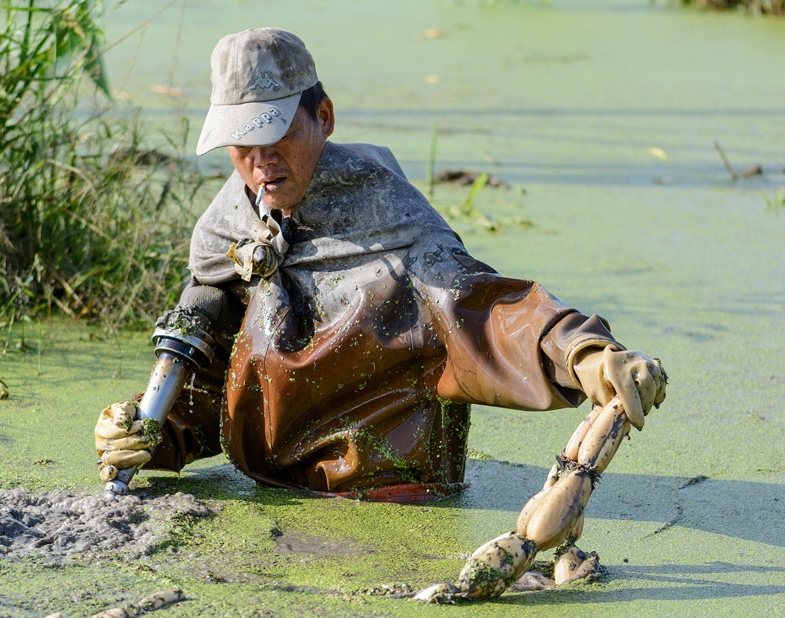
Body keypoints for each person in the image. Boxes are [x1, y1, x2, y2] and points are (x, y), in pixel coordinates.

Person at [94, 27, 666, 506]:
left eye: (277, 133)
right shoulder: (229, 226)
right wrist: (151, 433)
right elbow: (219, 376)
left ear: (324, 116)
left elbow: (481, 306)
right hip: (268, 497)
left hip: (387, 499)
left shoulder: (392, 220)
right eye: (241, 144)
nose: (260, 160)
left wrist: (577, 351)